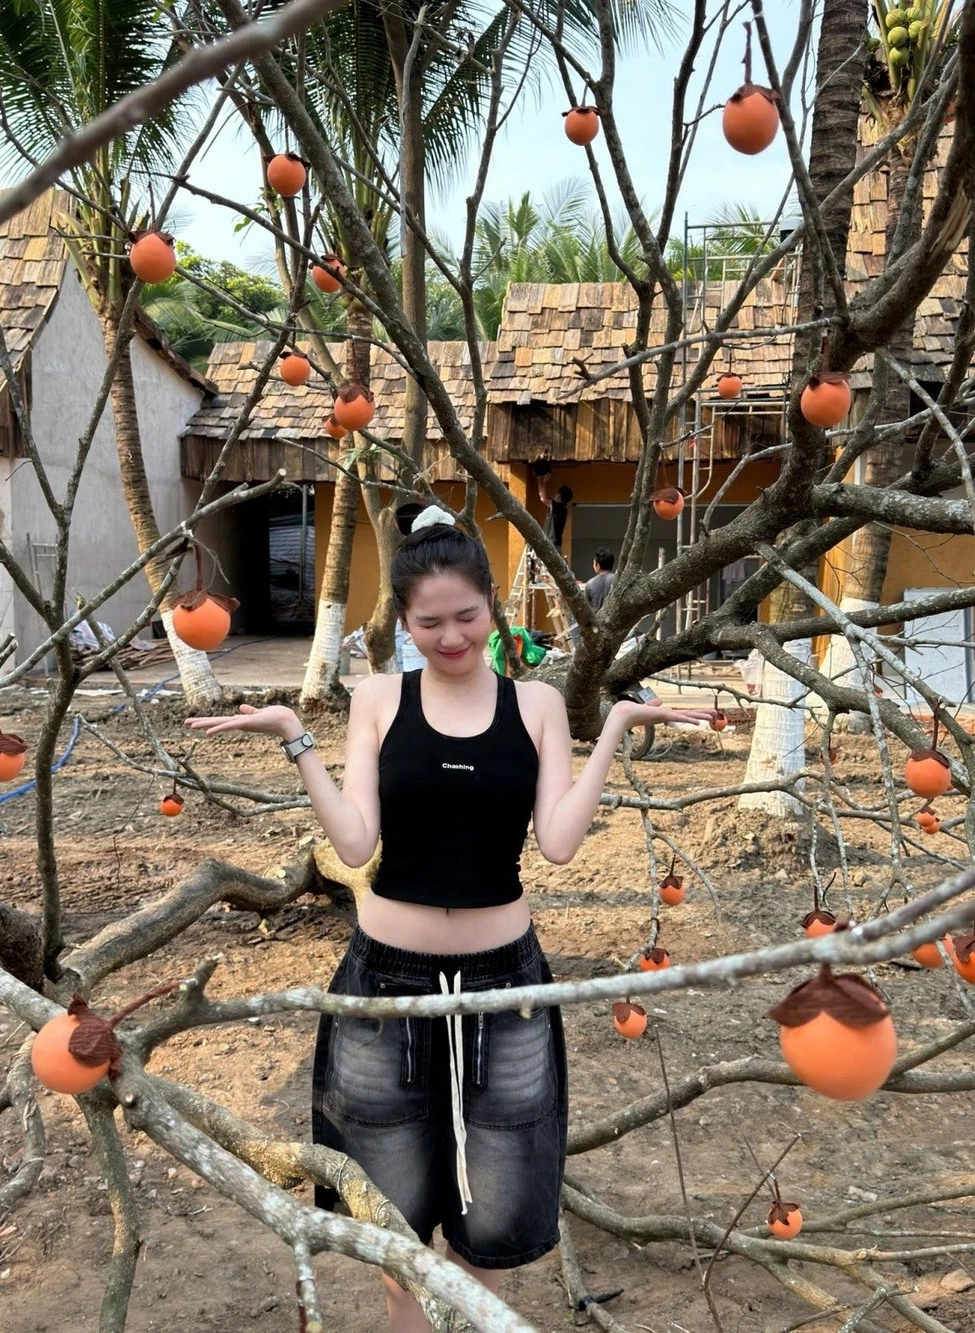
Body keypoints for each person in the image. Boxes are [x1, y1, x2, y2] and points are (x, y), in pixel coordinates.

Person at [184, 504, 715, 1333]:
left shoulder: (536, 705)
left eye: (466, 616)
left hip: (505, 987)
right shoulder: (376, 698)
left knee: (494, 1211)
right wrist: (295, 738)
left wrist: (613, 726)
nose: (451, 636)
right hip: (385, 984)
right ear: (404, 621)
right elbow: (356, 841)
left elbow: (559, 843)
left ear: (491, 606)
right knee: (392, 1214)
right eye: (429, 623)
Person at [583, 547, 616, 612]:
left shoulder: (590, 583)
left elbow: (584, 605)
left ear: (597, 565)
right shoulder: (618, 579)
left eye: (593, 563)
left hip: (596, 616)